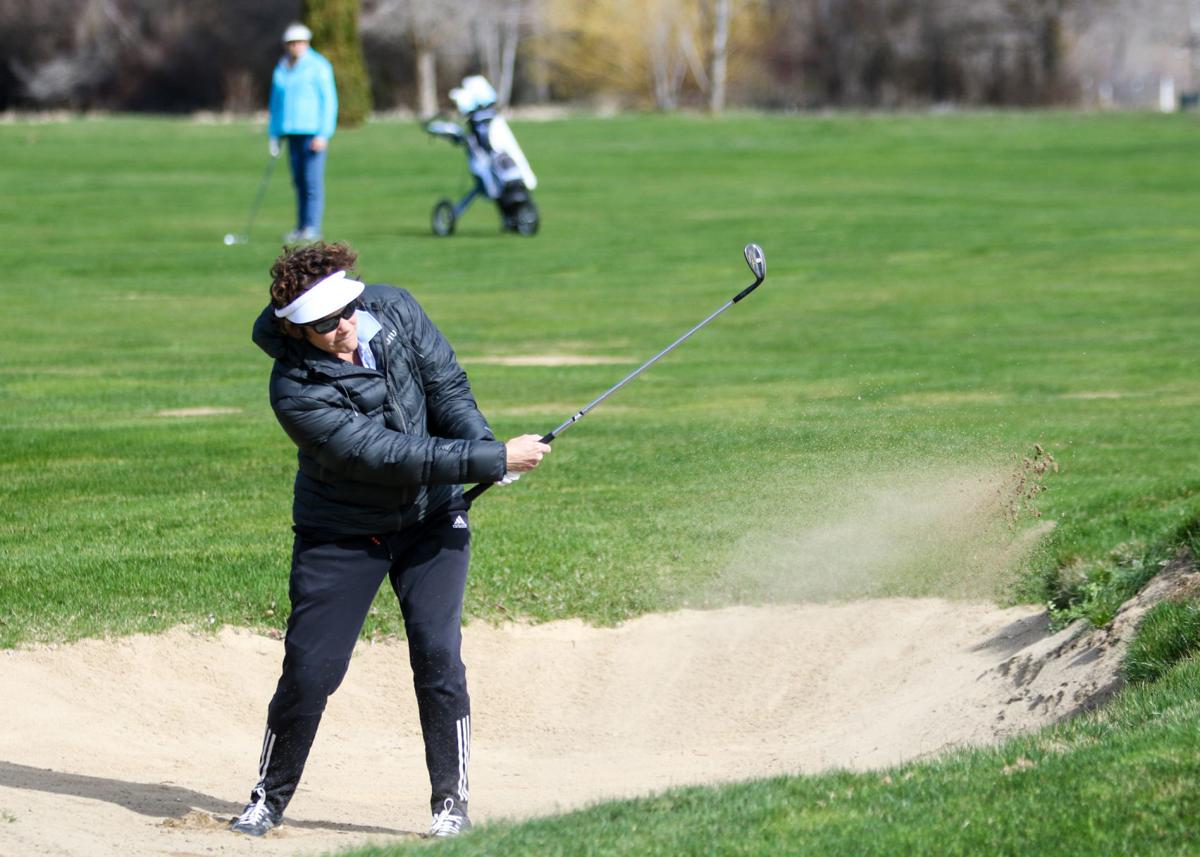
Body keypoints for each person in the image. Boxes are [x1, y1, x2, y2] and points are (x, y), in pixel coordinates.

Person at [231, 240, 550, 839]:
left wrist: (484, 453)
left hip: (431, 520)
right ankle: (267, 799)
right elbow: (382, 455)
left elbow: (448, 387)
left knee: (437, 656)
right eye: (323, 324)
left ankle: (450, 806)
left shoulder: (396, 310)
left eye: (347, 310)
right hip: (343, 533)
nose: (343, 328)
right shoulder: (294, 390)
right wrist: (484, 458)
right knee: (309, 670)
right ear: (296, 329)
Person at [268, 22, 338, 244]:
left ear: (306, 43)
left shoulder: (319, 66)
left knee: (312, 181)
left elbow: (329, 102)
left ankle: (312, 227)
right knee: (298, 181)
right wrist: (274, 134)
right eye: (291, 43)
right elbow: (276, 103)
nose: (295, 47)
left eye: (298, 42)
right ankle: (300, 227)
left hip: (312, 132)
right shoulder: (282, 67)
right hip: (291, 132)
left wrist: (323, 133)